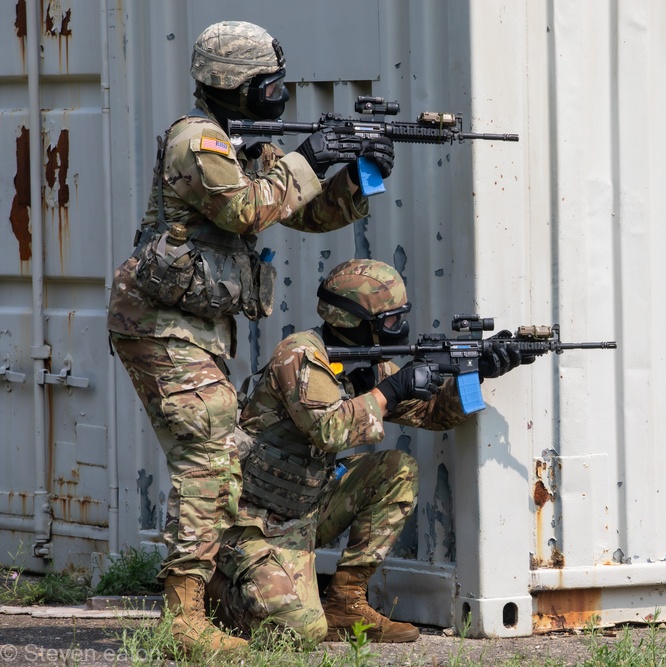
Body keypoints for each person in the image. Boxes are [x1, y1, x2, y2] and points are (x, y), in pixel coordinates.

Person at [106, 21, 395, 654]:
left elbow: (305, 211)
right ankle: (182, 621)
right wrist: (314, 154)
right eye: (267, 83)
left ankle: (214, 593)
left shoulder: (248, 143)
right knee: (206, 455)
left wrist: (358, 176)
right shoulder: (199, 141)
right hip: (156, 326)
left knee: (218, 457)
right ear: (232, 85)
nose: (279, 93)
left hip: (194, 327)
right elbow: (246, 210)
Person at [204, 259, 529, 644]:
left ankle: (345, 601)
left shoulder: (364, 362)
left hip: (308, 505)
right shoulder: (301, 356)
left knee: (397, 470)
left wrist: (476, 373)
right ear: (354, 320)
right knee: (299, 632)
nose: (399, 329)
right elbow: (331, 431)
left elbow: (432, 415)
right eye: (391, 321)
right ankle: (214, 591)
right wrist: (392, 390)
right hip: (255, 518)